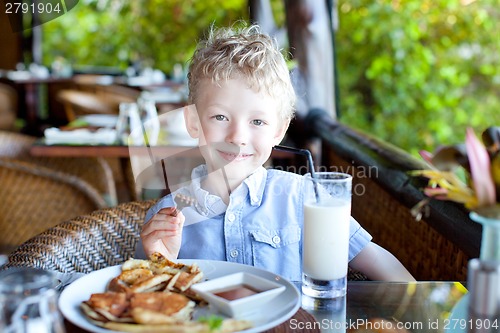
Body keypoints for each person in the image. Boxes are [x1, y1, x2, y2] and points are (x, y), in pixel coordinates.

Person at [135, 24, 415, 283]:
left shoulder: (305, 198)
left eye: (257, 122)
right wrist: (164, 263)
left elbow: (376, 261)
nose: (237, 137)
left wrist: (427, 311)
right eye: (220, 117)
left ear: (278, 131)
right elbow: (143, 301)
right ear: (193, 122)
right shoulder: (166, 217)